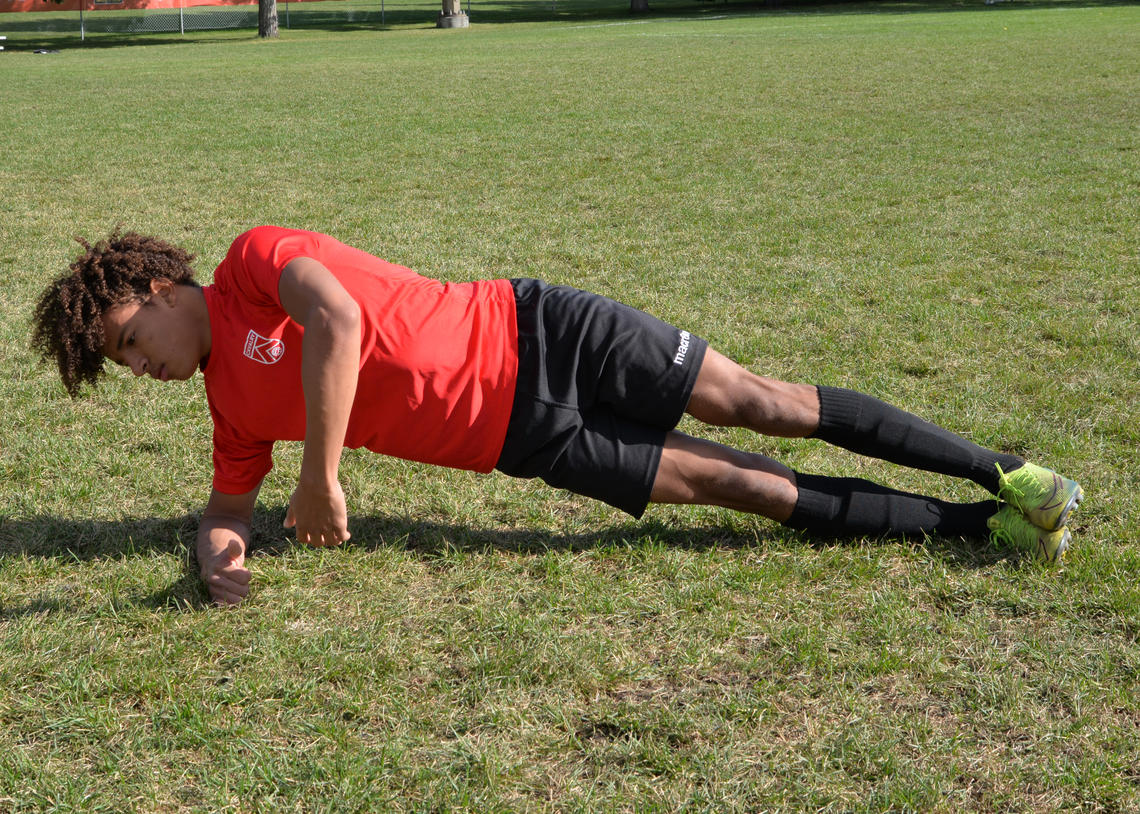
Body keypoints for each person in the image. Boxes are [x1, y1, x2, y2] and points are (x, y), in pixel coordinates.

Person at [32, 226, 1084, 605]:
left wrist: (323, 474)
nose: (138, 366)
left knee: (770, 407)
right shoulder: (228, 406)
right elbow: (224, 501)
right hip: (526, 441)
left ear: (163, 288)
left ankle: (1006, 473)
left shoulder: (255, 263)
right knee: (733, 485)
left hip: (543, 333)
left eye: (129, 340)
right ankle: (976, 529)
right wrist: (218, 556)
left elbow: (340, 319)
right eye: (119, 364)